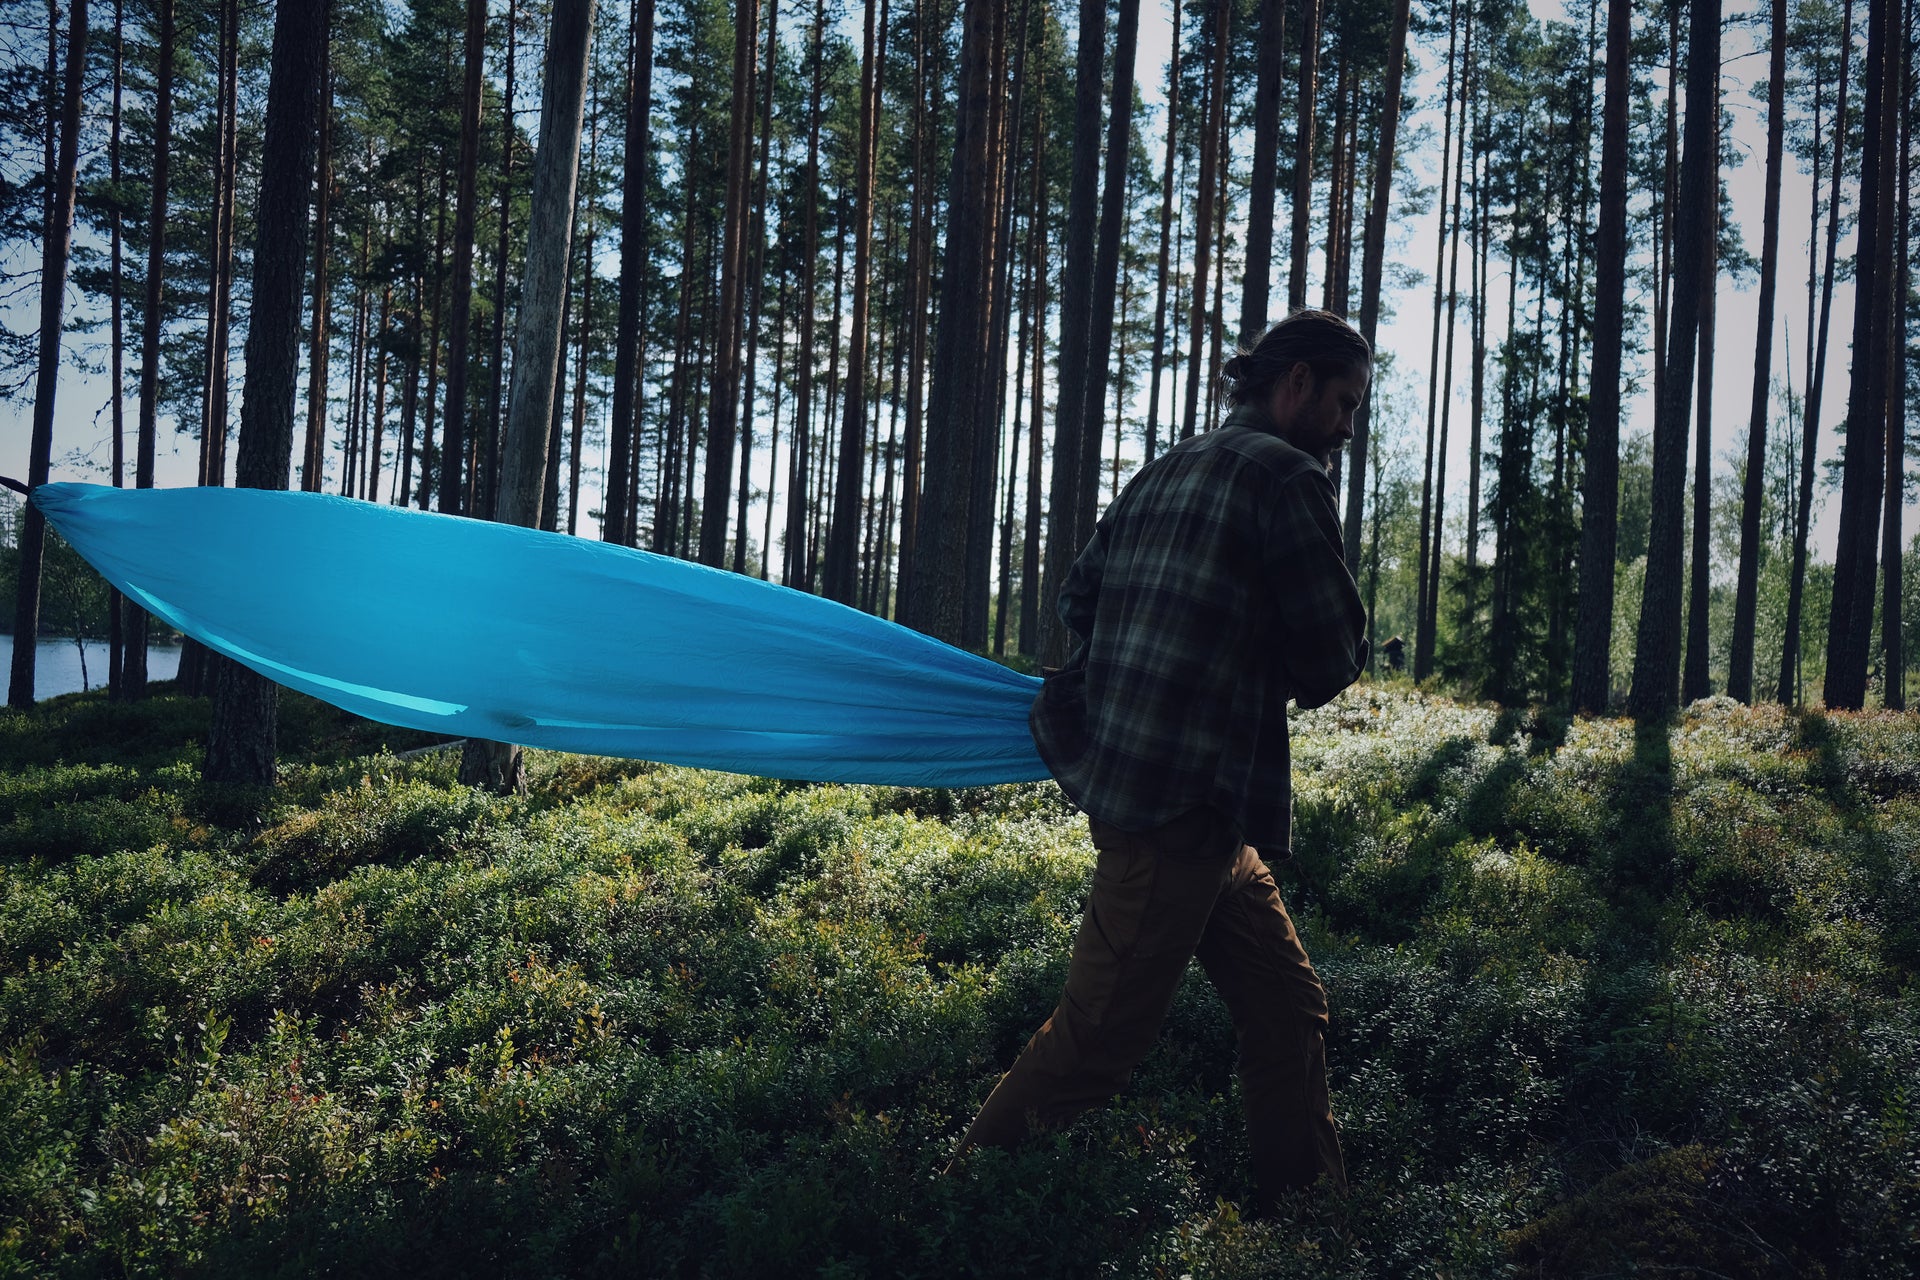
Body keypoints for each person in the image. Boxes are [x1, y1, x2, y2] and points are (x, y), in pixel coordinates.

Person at [942, 308, 1373, 1218]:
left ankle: (1308, 1224)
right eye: (1343, 402)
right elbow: (1331, 658)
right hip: (1177, 812)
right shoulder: (1289, 478)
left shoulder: (1167, 468)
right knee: (1094, 1044)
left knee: (1288, 1009)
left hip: (1198, 813)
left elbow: (1078, 599)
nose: (1346, 426)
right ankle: (946, 1219)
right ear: (1296, 383)